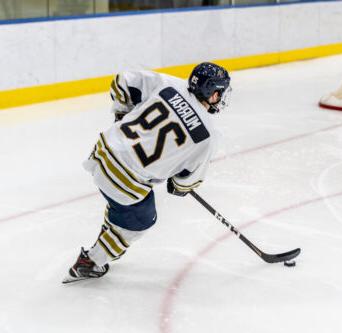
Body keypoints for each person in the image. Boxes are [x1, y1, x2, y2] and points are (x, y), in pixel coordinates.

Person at [63, 62, 231, 283]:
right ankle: (90, 263)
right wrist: (177, 184)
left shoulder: (171, 86)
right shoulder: (208, 136)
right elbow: (186, 183)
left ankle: (113, 226)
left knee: (124, 205)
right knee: (141, 219)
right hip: (125, 182)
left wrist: (122, 117)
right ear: (213, 94)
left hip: (102, 152)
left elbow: (123, 81)